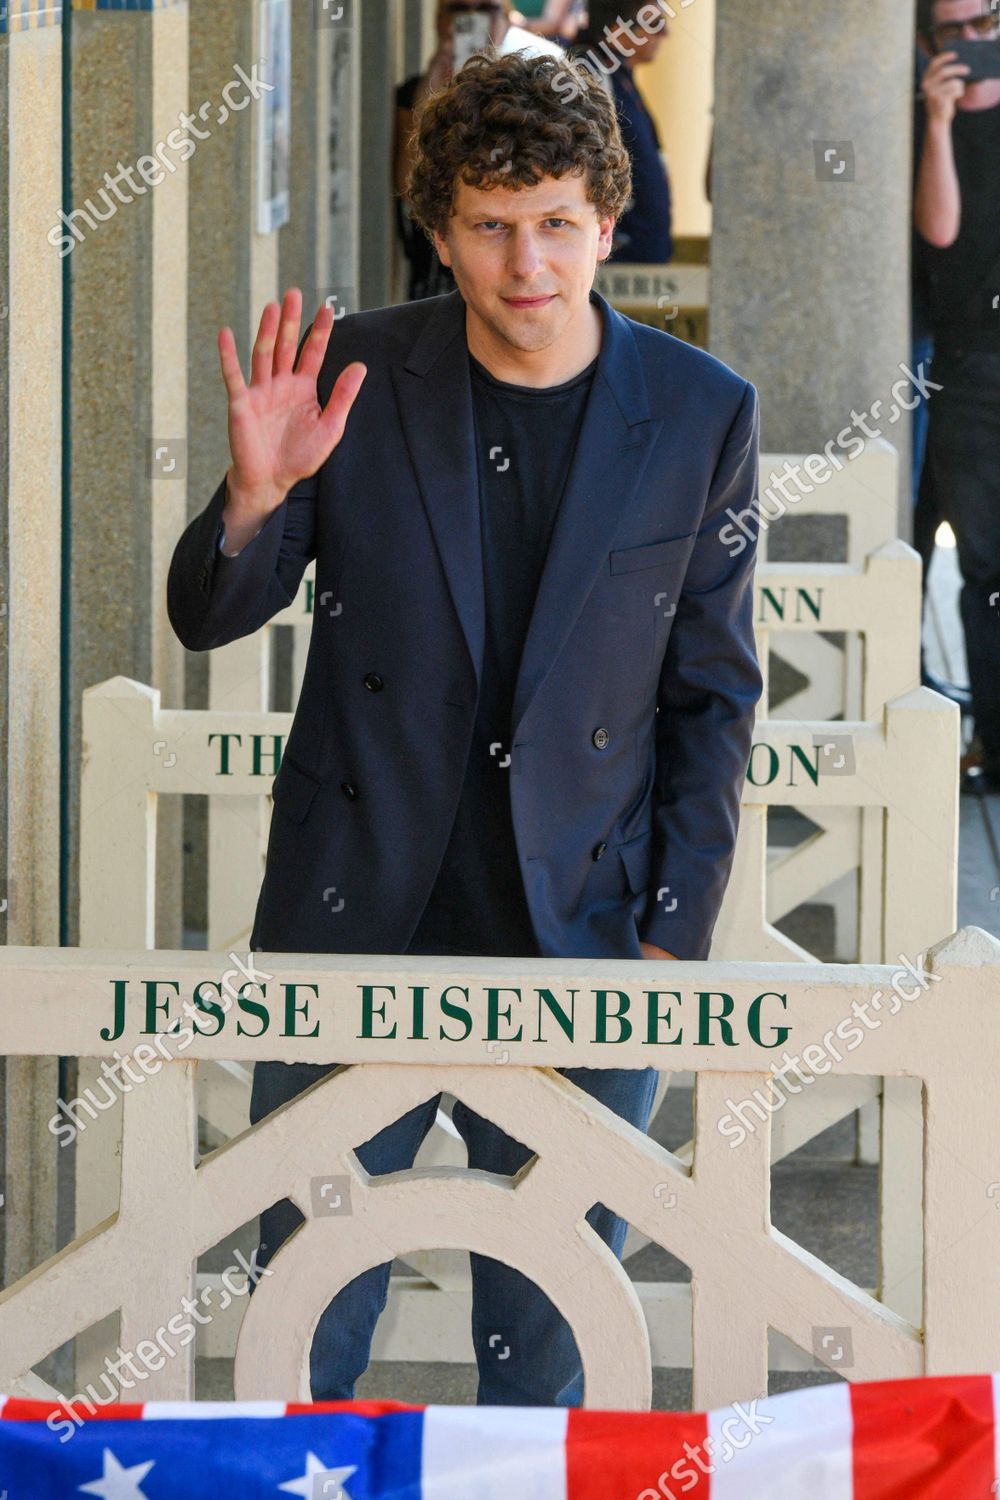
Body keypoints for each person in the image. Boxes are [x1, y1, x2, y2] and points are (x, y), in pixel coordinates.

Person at [167, 47, 762, 1406]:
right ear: (442, 232)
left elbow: (714, 692)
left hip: (589, 932)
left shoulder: (700, 412)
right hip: (356, 907)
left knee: (551, 1331)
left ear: (609, 224)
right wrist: (256, 501)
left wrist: (674, 930)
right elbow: (211, 613)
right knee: (307, 1304)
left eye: (558, 224)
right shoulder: (357, 373)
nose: (528, 264)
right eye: (491, 227)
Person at [913, 0, 1000, 793]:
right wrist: (938, 123)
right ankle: (995, 749)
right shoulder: (921, 126)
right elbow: (940, 234)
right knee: (983, 564)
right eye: (955, 32)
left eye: (988, 24)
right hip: (969, 366)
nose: (974, 44)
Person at [394, 0, 564, 301]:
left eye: (487, 9)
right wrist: (437, 75)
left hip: (512, 272)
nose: (472, 19)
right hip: (435, 275)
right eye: (458, 9)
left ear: (507, 21)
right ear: (438, 20)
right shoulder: (412, 93)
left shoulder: (532, 97)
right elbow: (407, 185)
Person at [571, 0, 673, 263]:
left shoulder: (619, 74)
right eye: (653, 24)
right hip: (613, 257)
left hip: (638, 250)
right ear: (618, 32)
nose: (665, 34)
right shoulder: (586, 72)